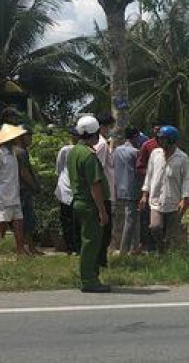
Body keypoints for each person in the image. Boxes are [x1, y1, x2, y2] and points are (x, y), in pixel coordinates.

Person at [68, 116, 110, 293]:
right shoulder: (88, 155)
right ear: (96, 133)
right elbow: (95, 185)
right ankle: (89, 280)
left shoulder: (75, 151)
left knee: (89, 241)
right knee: (91, 243)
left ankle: (91, 276)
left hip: (79, 202)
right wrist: (102, 211)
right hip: (90, 204)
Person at [140, 126, 189, 253]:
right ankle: (160, 246)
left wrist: (185, 198)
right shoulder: (155, 154)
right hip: (156, 199)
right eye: (160, 140)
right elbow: (149, 175)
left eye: (164, 140)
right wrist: (144, 194)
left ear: (172, 141)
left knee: (171, 233)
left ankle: (167, 255)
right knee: (155, 227)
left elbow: (186, 179)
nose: (161, 143)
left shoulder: (182, 158)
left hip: (173, 200)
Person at [13, 125, 43, 255]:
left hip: (16, 190)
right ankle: (29, 247)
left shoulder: (15, 150)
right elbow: (24, 173)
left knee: (22, 219)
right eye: (28, 136)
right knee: (27, 219)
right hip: (24, 190)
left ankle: (28, 247)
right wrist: (35, 186)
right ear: (21, 137)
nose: (31, 139)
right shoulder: (21, 152)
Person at [0, 124, 28, 256]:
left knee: (19, 221)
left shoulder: (13, 153)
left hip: (14, 193)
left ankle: (20, 249)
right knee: (3, 223)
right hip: (3, 195)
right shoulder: (1, 154)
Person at [113, 127, 140, 254]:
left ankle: (131, 246)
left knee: (120, 219)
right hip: (131, 189)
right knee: (130, 220)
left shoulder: (116, 150)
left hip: (118, 188)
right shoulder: (135, 152)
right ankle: (125, 249)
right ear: (134, 137)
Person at [136, 123, 161, 253]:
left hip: (167, 190)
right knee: (147, 219)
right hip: (150, 188)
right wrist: (153, 175)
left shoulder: (173, 146)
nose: (158, 132)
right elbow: (140, 166)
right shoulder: (148, 145)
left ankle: (161, 247)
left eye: (160, 129)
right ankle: (148, 246)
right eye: (156, 129)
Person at [55, 128, 81, 255]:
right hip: (66, 187)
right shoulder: (65, 150)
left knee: (75, 220)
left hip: (74, 189)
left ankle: (75, 247)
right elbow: (59, 167)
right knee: (67, 219)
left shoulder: (80, 150)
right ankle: (70, 247)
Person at [94, 113, 115, 264]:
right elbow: (98, 169)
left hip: (104, 192)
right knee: (105, 228)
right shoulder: (101, 144)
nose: (110, 130)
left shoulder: (101, 143)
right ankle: (101, 259)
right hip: (104, 193)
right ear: (102, 127)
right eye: (109, 127)